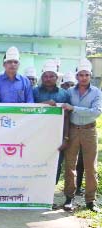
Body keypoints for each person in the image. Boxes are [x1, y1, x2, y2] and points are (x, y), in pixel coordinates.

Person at [62, 59, 102, 212]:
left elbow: (96, 112)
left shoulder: (97, 92)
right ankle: (69, 198)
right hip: (73, 130)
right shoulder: (70, 92)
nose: (84, 77)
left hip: (89, 130)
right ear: (77, 76)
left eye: (86, 75)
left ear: (90, 76)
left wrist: (74, 108)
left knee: (90, 166)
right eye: (81, 75)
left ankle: (91, 200)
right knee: (70, 165)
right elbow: (64, 109)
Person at [32, 60, 70, 189]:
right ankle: (36, 192)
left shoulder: (64, 94)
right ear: (42, 77)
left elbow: (67, 117)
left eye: (51, 76)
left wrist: (66, 138)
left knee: (55, 163)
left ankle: (49, 193)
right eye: (45, 76)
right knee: (36, 162)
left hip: (57, 136)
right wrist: (44, 104)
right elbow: (27, 110)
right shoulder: (35, 92)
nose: (48, 79)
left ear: (56, 77)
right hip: (37, 135)